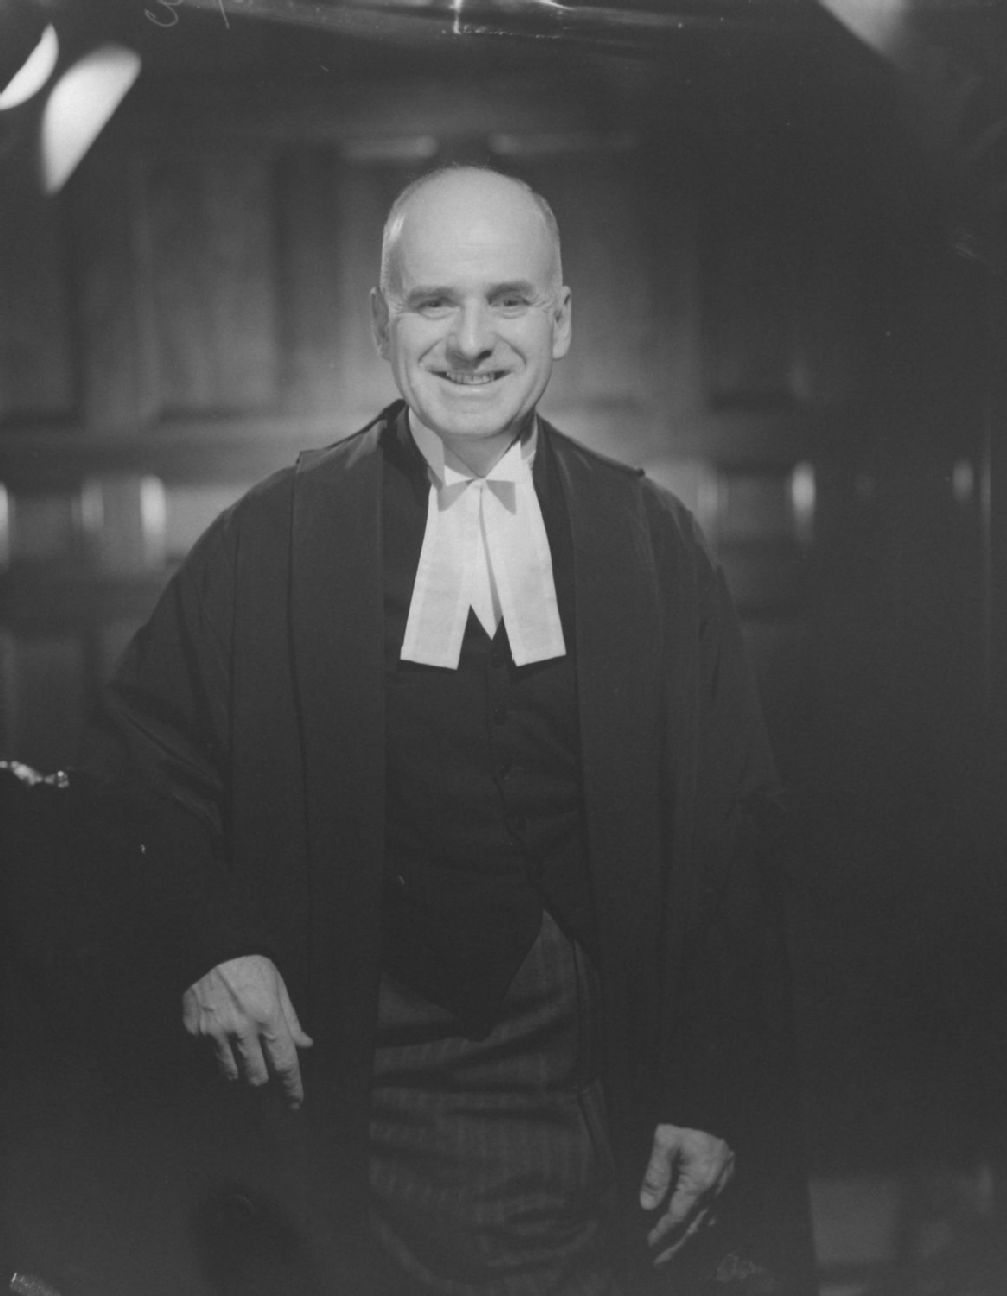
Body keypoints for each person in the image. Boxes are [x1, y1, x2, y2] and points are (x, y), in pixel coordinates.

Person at [83, 166, 814, 1295]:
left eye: (509, 301)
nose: (471, 342)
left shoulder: (649, 540)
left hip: (595, 1082)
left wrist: (707, 1087)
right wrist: (211, 943)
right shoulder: (275, 537)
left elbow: (736, 835)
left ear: (560, 321)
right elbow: (136, 762)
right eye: (433, 303)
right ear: (381, 322)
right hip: (355, 1086)